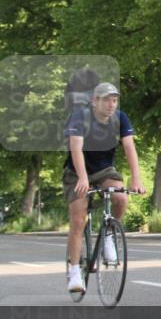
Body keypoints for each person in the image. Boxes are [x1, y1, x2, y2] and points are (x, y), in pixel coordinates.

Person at [62, 82, 145, 293]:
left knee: (120, 197)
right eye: (107, 100)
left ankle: (109, 234)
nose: (111, 104)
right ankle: (74, 272)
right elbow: (76, 148)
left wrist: (136, 179)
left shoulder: (120, 118)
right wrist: (82, 178)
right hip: (77, 171)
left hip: (104, 170)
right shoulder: (80, 116)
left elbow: (129, 147)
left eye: (114, 100)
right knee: (79, 220)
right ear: (94, 101)